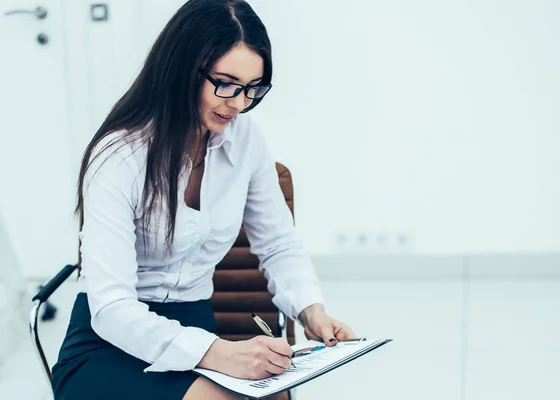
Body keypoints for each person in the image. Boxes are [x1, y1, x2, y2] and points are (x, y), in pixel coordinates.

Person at [51, 1, 356, 399]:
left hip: (194, 326)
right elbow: (110, 309)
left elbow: (278, 242)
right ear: (183, 68)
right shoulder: (119, 156)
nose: (239, 103)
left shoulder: (246, 141)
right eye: (226, 84)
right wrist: (214, 352)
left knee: (273, 394)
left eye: (253, 89)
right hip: (108, 343)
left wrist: (311, 309)